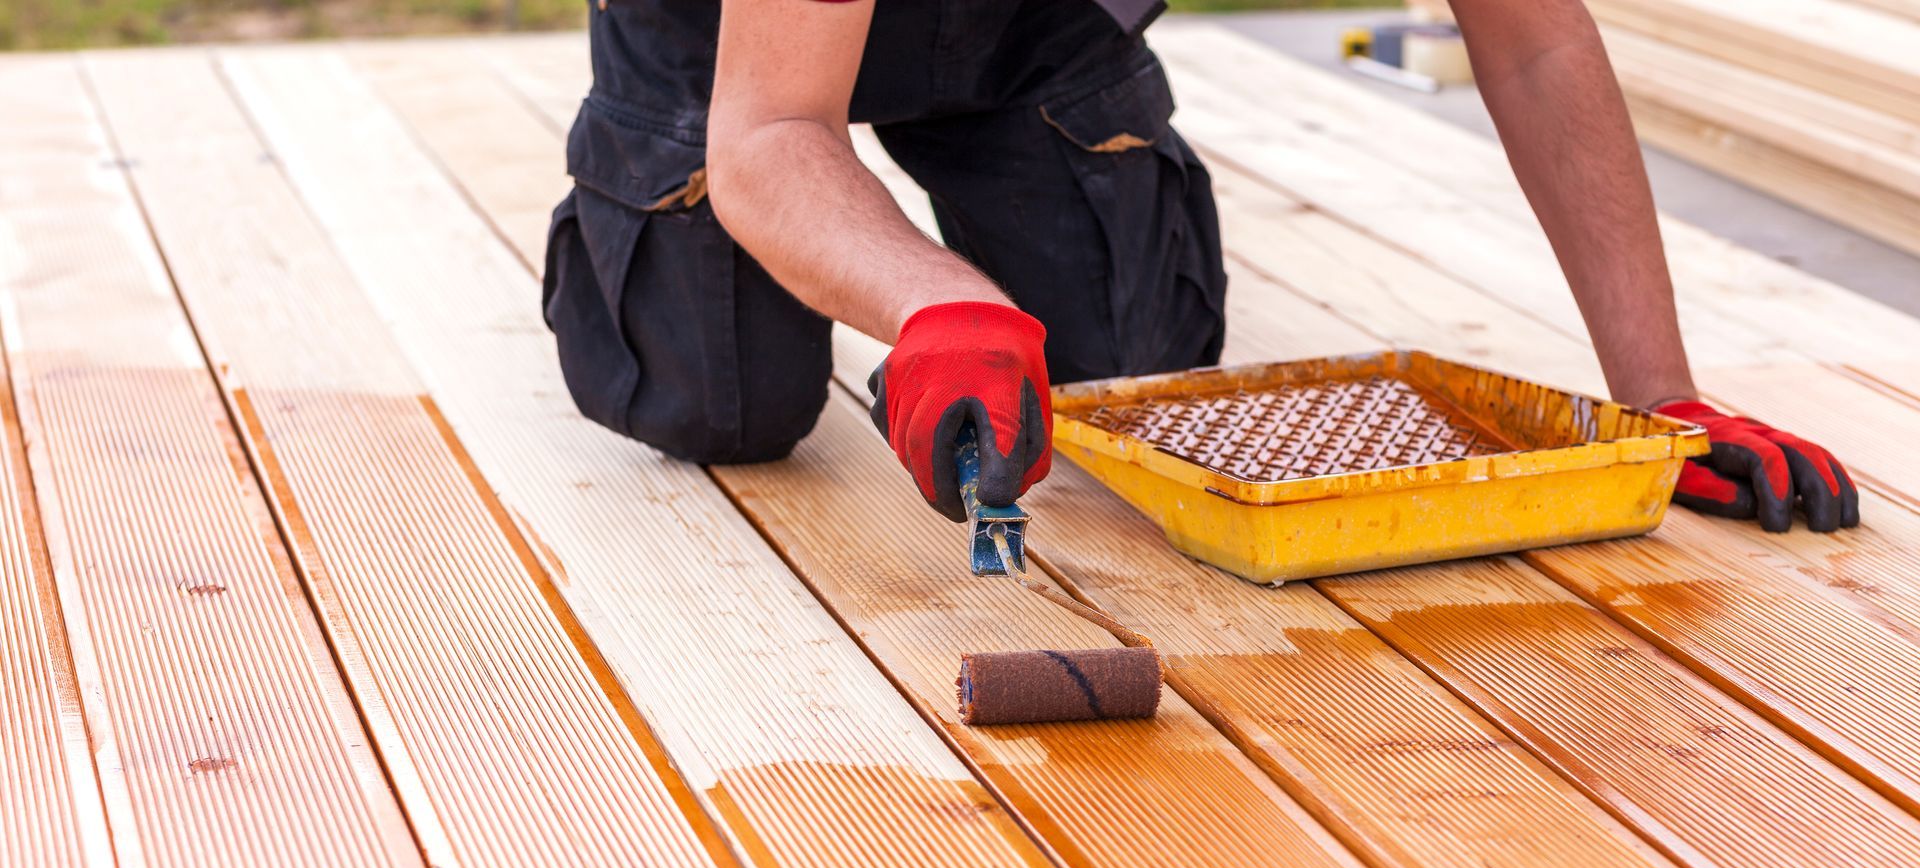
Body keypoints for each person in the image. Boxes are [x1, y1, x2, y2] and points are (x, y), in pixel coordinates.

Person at [543, 0, 1859, 535]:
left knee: (1127, 389)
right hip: (739, 53)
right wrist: (935, 302)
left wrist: (1660, 397)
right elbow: (775, 133)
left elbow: (1535, 47)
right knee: (719, 411)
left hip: (1028, 34)